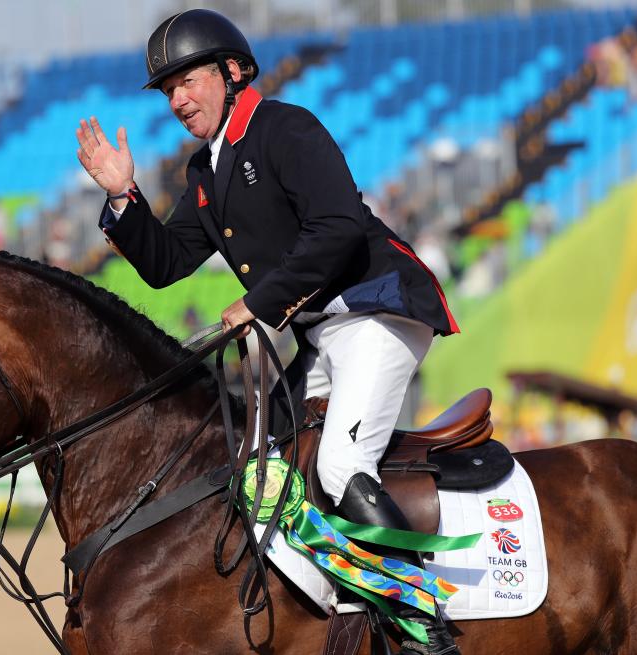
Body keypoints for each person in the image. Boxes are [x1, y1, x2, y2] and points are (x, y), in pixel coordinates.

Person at [75, 9, 459, 654]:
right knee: (256, 473)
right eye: (167, 91)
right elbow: (167, 265)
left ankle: (425, 628)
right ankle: (331, 611)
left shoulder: (286, 128)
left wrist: (258, 302)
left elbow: (337, 228)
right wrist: (123, 197)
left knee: (338, 466)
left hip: (377, 312)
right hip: (323, 335)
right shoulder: (206, 172)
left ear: (233, 72)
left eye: (188, 81)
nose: (177, 100)